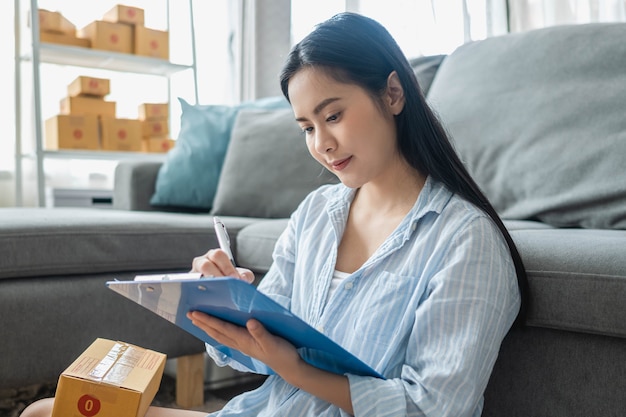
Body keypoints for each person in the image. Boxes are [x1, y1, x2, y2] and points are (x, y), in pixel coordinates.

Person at [21, 12, 527, 417]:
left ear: (393, 94)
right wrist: (228, 305)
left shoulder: (464, 240)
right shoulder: (316, 215)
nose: (322, 144)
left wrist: (294, 367)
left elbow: (433, 408)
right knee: (49, 411)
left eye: (333, 116)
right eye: (307, 127)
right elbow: (260, 352)